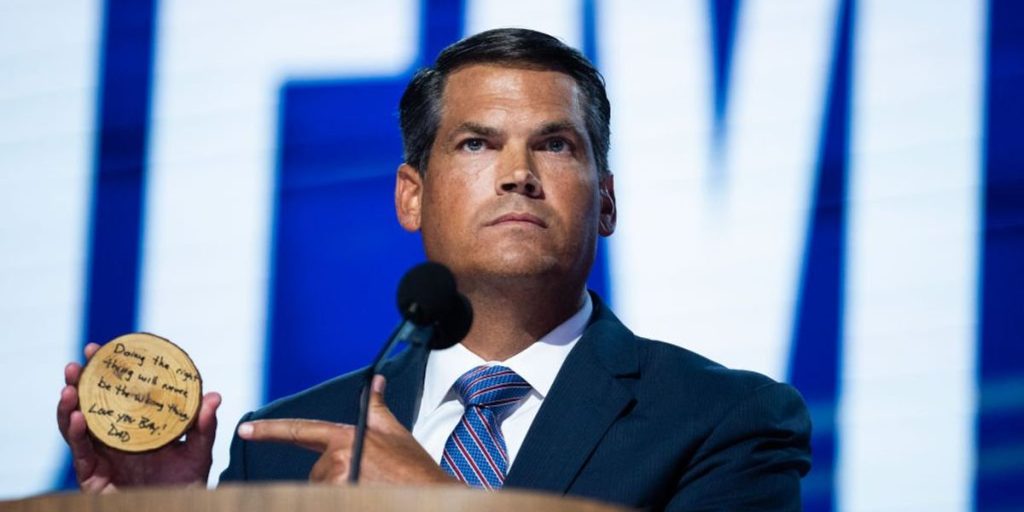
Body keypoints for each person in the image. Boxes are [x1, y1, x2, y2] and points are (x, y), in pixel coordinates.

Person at [57, 28, 811, 509]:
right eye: (477, 144)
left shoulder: (725, 421)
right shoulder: (283, 445)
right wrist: (163, 507)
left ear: (606, 202)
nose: (518, 175)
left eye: (555, 145)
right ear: (410, 197)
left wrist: (437, 502)